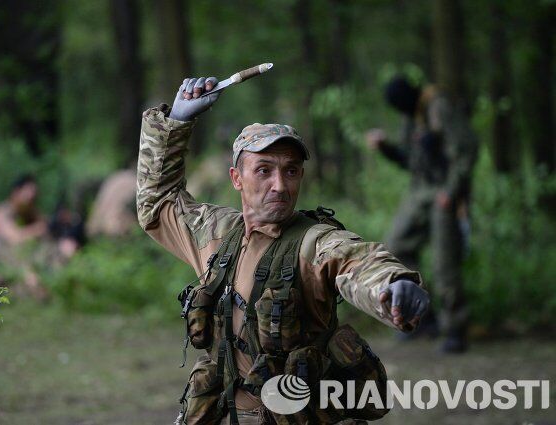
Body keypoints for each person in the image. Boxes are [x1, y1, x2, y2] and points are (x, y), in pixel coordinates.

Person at [137, 76, 430, 424]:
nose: (280, 185)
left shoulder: (313, 242)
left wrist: (392, 286)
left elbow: (357, 260)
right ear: (236, 178)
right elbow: (157, 201)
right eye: (264, 170)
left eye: (290, 171)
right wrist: (177, 124)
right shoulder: (215, 233)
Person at [365, 76, 478, 354]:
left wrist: (451, 192)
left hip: (444, 191)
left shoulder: (438, 106)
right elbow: (411, 161)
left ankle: (455, 330)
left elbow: (467, 150)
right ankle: (422, 318)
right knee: (395, 246)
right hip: (421, 191)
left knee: (444, 263)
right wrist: (386, 149)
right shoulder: (412, 116)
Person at [0, 174, 49, 300]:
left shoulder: (29, 212)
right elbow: (15, 237)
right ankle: (34, 286)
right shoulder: (1, 212)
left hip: (17, 264)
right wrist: (38, 228)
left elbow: (46, 228)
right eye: (29, 193)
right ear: (16, 192)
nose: (32, 197)